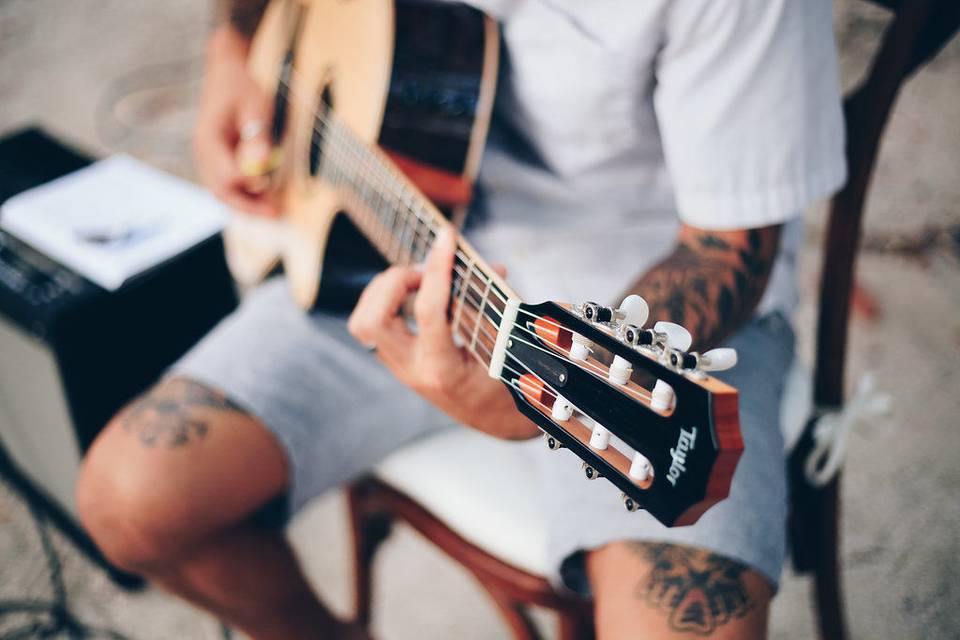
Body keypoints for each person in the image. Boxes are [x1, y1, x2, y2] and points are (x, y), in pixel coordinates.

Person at [76, 0, 846, 638]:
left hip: (647, 320)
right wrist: (237, 49)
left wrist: (529, 403)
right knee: (129, 502)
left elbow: (726, 252)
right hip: (385, 239)